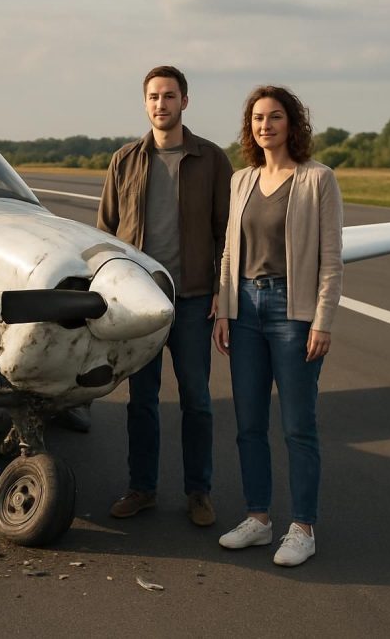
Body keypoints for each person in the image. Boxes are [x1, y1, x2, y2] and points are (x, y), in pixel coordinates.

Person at [213, 86, 343, 566]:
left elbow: (331, 260)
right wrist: (224, 308)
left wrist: (322, 320)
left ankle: (303, 527)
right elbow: (229, 250)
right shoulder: (241, 181)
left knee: (297, 426)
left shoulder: (317, 179)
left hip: (294, 309)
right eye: (257, 118)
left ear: (293, 124)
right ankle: (259, 520)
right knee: (248, 424)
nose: (265, 125)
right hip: (244, 308)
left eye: (275, 117)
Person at [98, 66, 232, 526]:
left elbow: (227, 235)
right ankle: (142, 488)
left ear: (185, 102)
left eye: (169, 96)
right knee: (142, 401)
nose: (161, 104)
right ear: (145, 103)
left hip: (194, 300)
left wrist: (222, 294)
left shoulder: (212, 160)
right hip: (140, 304)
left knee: (196, 400)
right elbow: (106, 235)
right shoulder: (124, 160)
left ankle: (199, 492)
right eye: (154, 96)